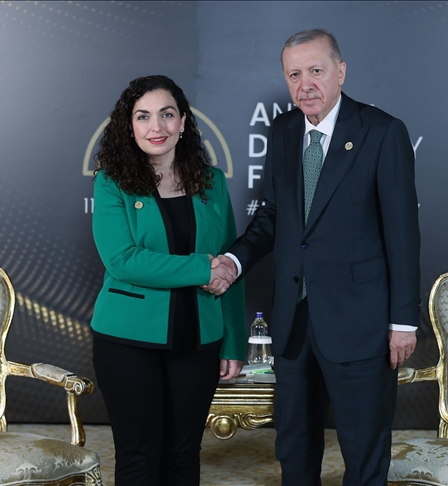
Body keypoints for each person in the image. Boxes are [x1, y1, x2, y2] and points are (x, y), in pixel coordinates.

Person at [213, 29, 420, 485]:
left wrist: (403, 321)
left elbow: (402, 234)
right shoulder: (284, 131)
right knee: (294, 449)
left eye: (315, 71)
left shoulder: (382, 132)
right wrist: (233, 261)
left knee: (363, 454)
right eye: (294, 75)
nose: (305, 84)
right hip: (294, 322)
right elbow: (273, 216)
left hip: (360, 323)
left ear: (340, 72)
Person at [89, 74, 245, 485]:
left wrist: (233, 341)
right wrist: (202, 268)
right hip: (127, 341)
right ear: (129, 126)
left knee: (184, 454)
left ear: (183, 121)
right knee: (139, 456)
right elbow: (123, 261)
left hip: (199, 338)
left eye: (166, 114)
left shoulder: (212, 181)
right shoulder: (111, 182)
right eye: (143, 116)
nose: (156, 126)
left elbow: (228, 264)